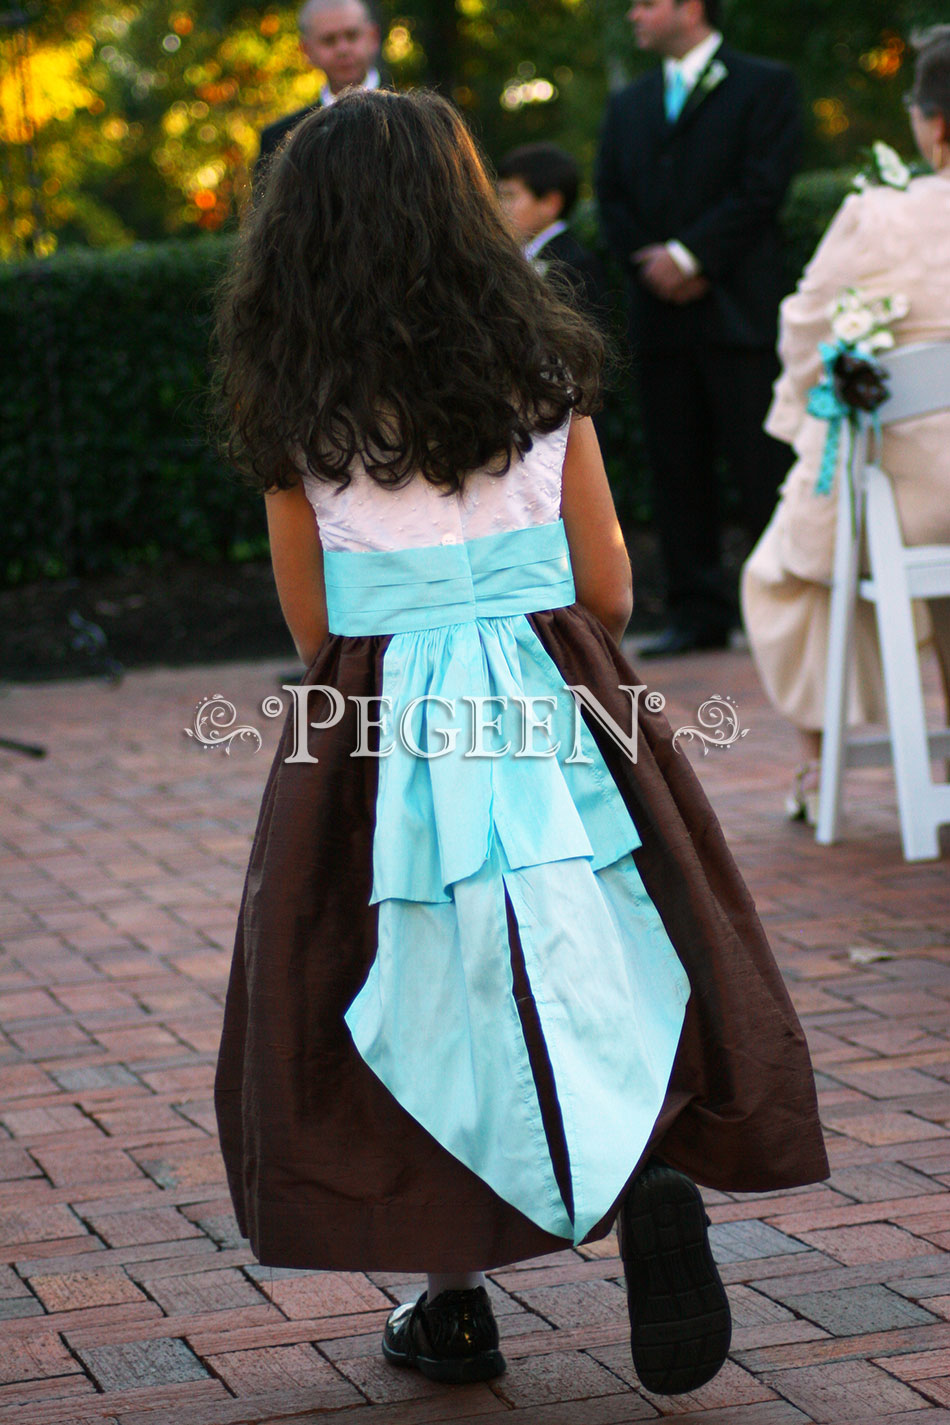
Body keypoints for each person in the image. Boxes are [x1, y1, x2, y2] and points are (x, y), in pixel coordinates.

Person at [212, 89, 828, 1396]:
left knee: (416, 972)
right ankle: (648, 1161)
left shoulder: (300, 408)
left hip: (386, 717)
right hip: (554, 693)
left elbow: (316, 622)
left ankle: (450, 1300)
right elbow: (603, 580)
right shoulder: (540, 369)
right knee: (601, 930)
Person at [741, 26, 950, 823]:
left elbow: (805, 329)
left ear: (932, 123)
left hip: (916, 500)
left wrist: (808, 425)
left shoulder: (879, 215)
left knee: (785, 573)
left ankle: (816, 761)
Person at [595, 0, 801, 657]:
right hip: (659, 317)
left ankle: (788, 605)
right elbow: (612, 196)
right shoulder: (628, 103)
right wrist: (653, 263)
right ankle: (697, 613)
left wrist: (691, 255)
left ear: (689, 7)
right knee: (676, 467)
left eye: (647, 3)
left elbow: (763, 187)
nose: (634, 15)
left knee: (760, 461)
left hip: (737, 307)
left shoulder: (764, 84)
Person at [255, 0, 385, 188]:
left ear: (373, 37)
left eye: (352, 35)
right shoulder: (280, 139)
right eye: (329, 40)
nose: (342, 49)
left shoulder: (417, 121)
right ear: (306, 50)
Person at [498, 143, 609, 321]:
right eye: (500, 196)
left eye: (510, 196)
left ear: (551, 203)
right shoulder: (516, 254)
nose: (500, 207)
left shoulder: (575, 264)